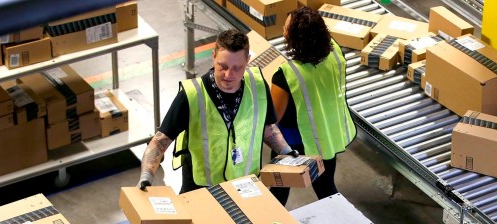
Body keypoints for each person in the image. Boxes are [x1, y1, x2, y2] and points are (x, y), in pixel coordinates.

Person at [137, 29, 296, 193]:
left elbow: (268, 127)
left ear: (248, 60)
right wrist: (146, 177)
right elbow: (160, 140)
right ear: (214, 56)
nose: (228, 75)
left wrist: (287, 151)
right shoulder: (192, 95)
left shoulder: (257, 86)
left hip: (245, 184)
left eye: (237, 68)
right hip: (202, 188)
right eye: (223, 66)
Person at [269, 6, 356, 205]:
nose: (283, 29)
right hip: (327, 137)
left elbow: (274, 118)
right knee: (326, 188)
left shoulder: (287, 75)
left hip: (295, 143)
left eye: (286, 28)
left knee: (278, 191)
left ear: (295, 39)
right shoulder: (334, 52)